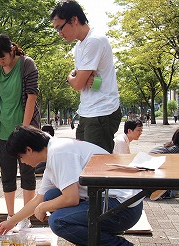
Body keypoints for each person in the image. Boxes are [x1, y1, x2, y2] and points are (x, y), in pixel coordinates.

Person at [0, 125, 144, 246]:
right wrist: (11, 221)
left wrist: (42, 208)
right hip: (112, 201)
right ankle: (86, 242)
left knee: (58, 221)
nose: (22, 162)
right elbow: (39, 199)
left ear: (28, 150)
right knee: (50, 196)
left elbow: (71, 198)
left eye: (20, 157)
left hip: (124, 208)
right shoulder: (54, 152)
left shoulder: (58, 153)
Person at [51, 0, 122, 153]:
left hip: (101, 112)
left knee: (97, 168)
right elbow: (93, 83)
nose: (59, 34)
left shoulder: (94, 41)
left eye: (60, 28)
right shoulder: (80, 45)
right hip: (88, 111)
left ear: (74, 20)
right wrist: (81, 79)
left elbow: (77, 84)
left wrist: (69, 77)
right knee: (84, 163)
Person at [0, 34, 41, 232]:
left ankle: (26, 217)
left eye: (2, 58)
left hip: (25, 128)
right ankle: (11, 216)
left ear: (11, 51)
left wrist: (25, 130)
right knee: (7, 175)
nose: (0, 63)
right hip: (3, 130)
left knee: (28, 173)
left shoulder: (27, 64)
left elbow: (31, 97)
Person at [149, 128, 179, 199]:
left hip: (147, 169)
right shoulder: (178, 150)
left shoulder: (169, 145)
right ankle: (167, 192)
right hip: (155, 174)